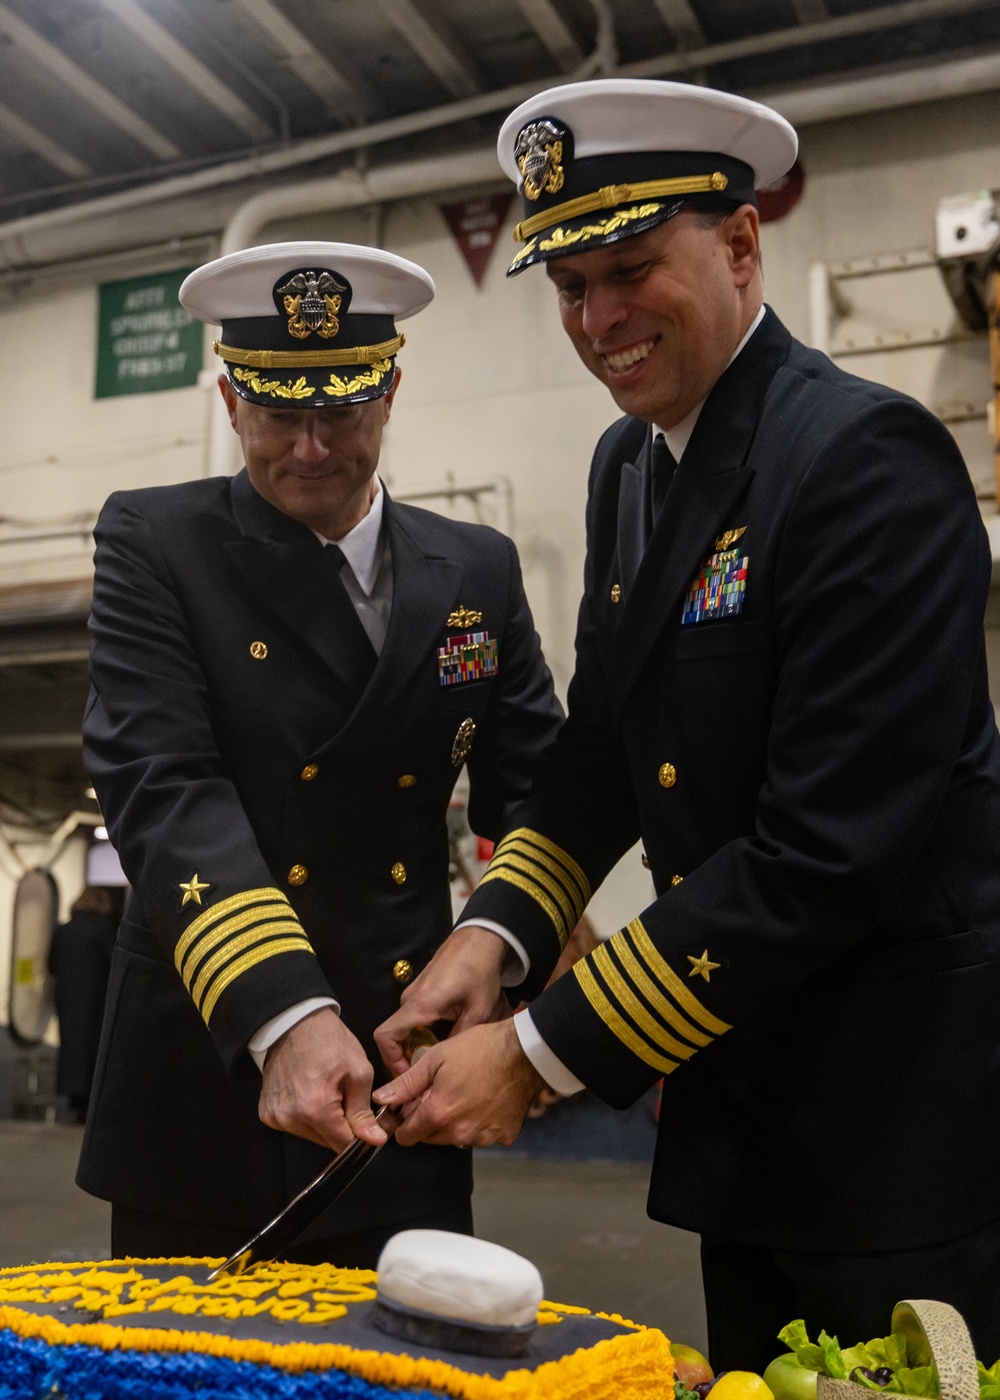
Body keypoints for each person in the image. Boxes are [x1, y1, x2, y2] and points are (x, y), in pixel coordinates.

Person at [373, 82, 1000, 1363]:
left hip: (899, 1132)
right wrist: (495, 935)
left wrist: (540, 1052)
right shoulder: (633, 468)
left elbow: (826, 852)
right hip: (742, 1103)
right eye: (567, 286)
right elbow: (599, 748)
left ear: (739, 243)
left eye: (630, 268)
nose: (598, 319)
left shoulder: (862, 462)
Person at [78, 240, 562, 1266]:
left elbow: (539, 788)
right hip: (209, 1066)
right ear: (227, 399)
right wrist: (283, 1011)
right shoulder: (156, 541)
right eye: (275, 411)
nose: (307, 446)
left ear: (388, 393)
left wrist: (503, 947)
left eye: (338, 409)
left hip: (403, 1072)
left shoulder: (477, 563)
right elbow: (162, 784)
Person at [49, 884, 123, 1121]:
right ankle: (89, 1101)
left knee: (70, 1047)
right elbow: (115, 963)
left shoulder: (63, 930)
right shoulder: (102, 930)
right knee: (93, 1047)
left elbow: (50, 964)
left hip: (67, 999)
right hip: (95, 999)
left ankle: (72, 1099)